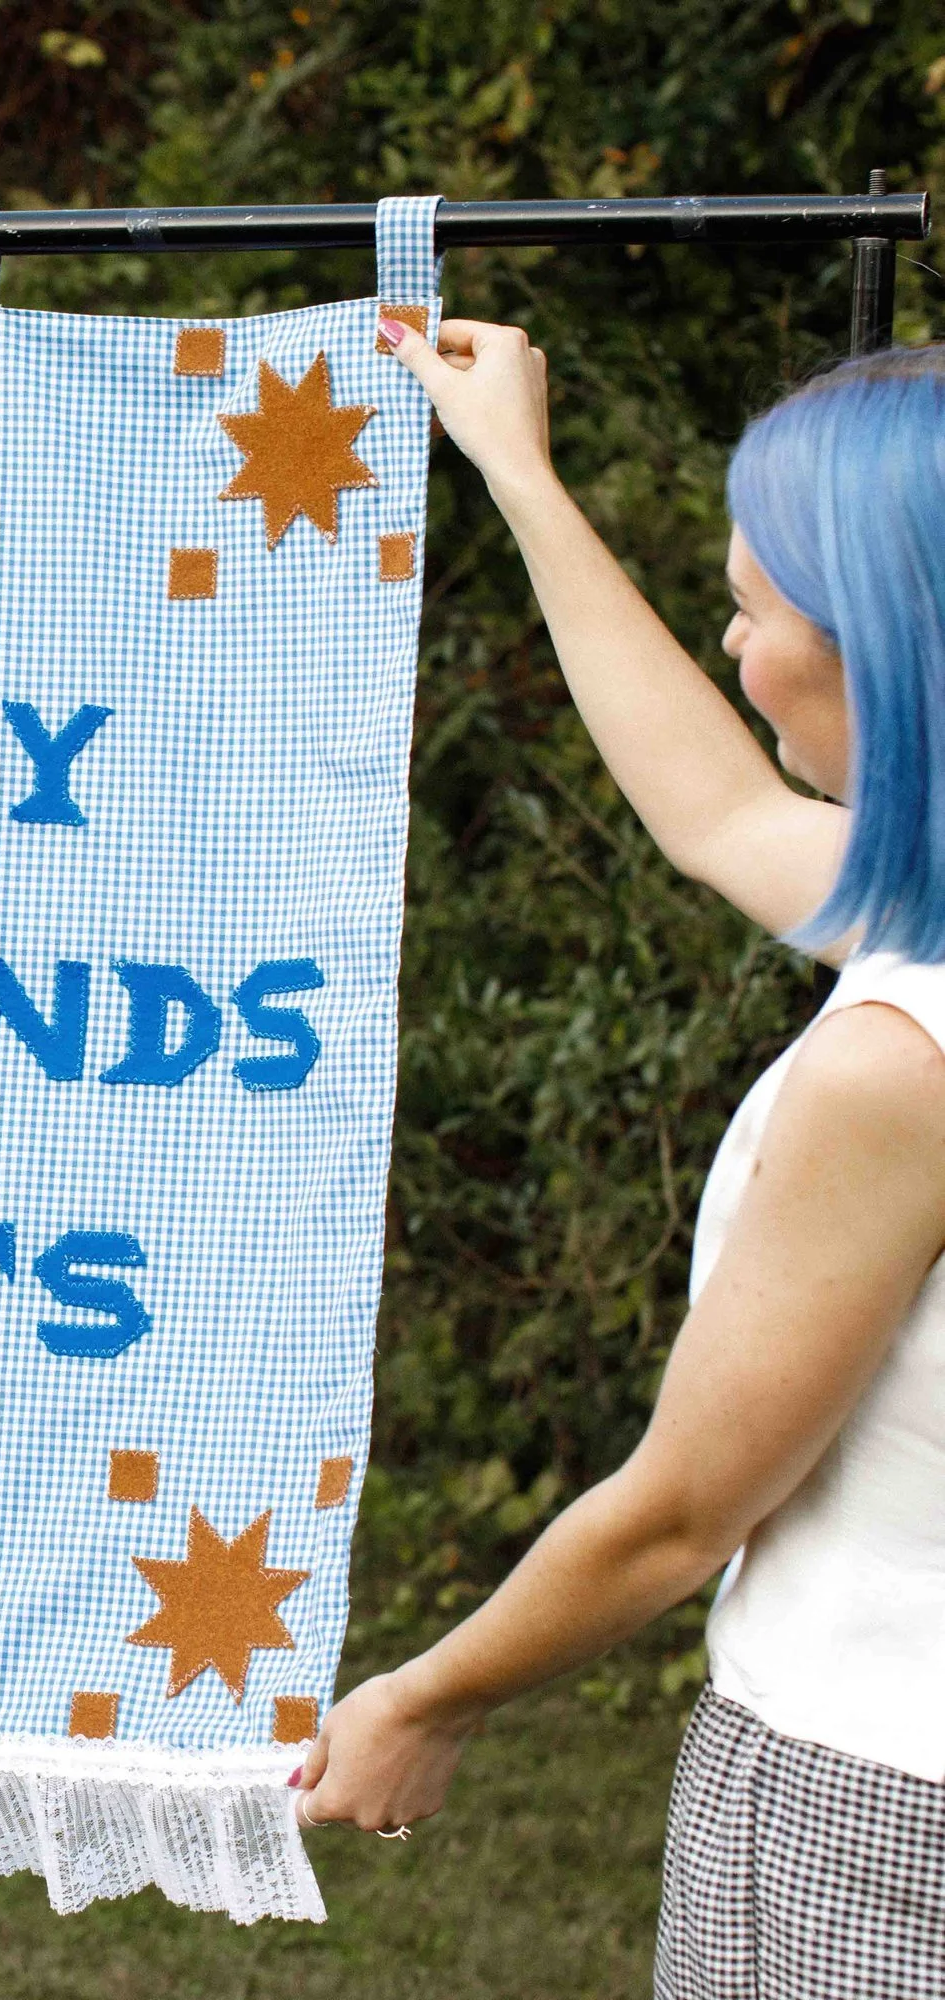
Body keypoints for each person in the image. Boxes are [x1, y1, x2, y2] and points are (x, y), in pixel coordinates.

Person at [295, 317, 945, 1992]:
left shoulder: (902, 1068)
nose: (731, 644)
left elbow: (683, 1511)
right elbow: (719, 814)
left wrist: (431, 1697)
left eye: (754, 610)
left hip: (879, 1817)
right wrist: (517, 470)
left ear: (884, 646)